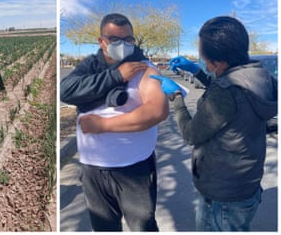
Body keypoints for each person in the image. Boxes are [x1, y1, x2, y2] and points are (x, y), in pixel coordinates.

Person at [150, 16, 277, 231]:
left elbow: (191, 134)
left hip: (222, 196)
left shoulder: (225, 92)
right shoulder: (260, 76)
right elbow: (233, 98)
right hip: (246, 184)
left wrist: (176, 97)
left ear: (218, 62)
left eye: (203, 57)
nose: (201, 59)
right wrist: (197, 71)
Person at [60, 13, 169, 231]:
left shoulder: (144, 68)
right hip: (92, 170)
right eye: (114, 40)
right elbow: (66, 90)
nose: (123, 45)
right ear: (102, 42)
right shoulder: (90, 66)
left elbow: (157, 110)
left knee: (143, 226)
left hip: (133, 169)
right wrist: (116, 76)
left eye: (128, 39)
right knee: (103, 228)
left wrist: (103, 126)